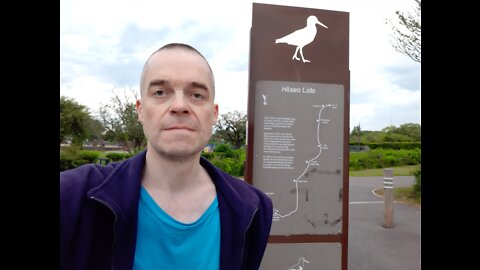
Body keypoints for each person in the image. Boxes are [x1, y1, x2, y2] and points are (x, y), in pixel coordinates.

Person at [60, 43, 273, 270]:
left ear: (213, 114)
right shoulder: (72, 197)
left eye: (197, 94)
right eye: (160, 92)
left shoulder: (254, 209)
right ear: (140, 111)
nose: (179, 106)